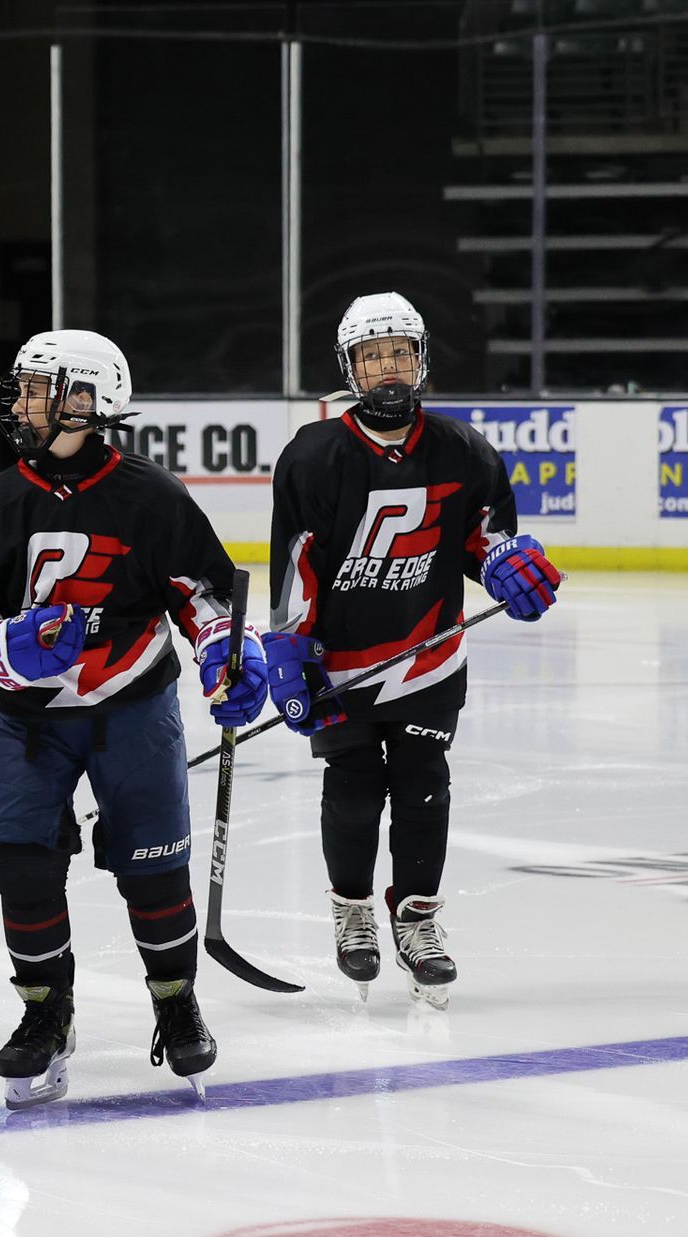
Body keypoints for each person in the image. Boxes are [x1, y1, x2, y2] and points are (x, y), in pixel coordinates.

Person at [0, 330, 266, 1108]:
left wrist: (225, 656)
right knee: (22, 859)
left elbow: (202, 593)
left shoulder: (151, 497)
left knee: (152, 867)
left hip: (133, 709)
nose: (19, 404)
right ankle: (46, 1013)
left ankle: (175, 1001)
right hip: (33, 719)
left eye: (35, 390)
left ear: (83, 400)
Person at [264, 292, 562, 1009]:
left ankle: (418, 918)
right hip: (342, 664)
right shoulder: (314, 455)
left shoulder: (463, 449)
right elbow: (296, 562)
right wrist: (289, 649)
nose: (388, 368)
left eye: (399, 352)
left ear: (420, 359)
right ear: (350, 369)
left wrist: (508, 566)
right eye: (372, 357)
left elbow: (485, 539)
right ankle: (354, 911)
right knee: (356, 788)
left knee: (425, 786)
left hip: (430, 656)